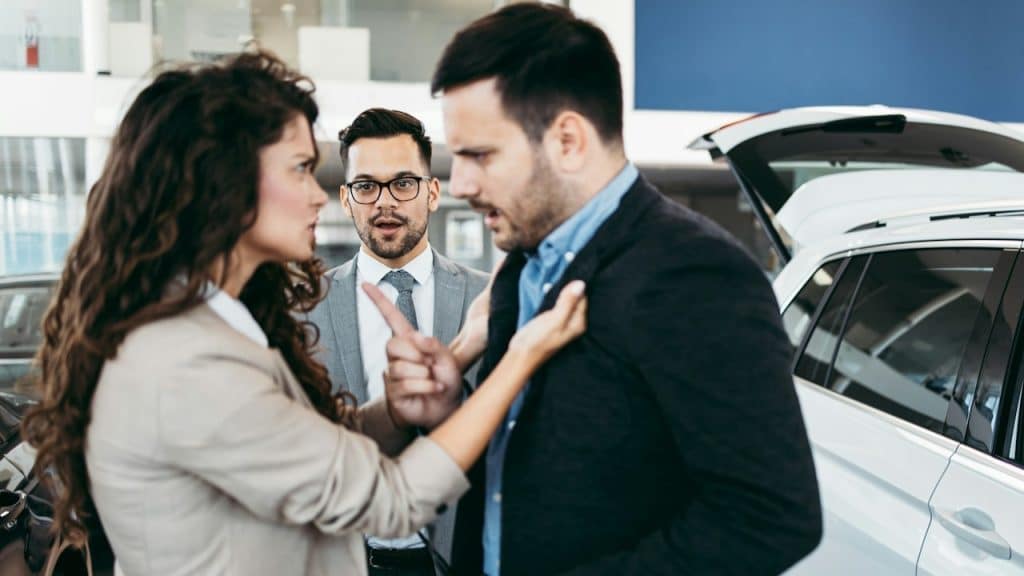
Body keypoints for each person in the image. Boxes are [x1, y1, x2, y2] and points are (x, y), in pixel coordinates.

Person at [19, 51, 586, 576]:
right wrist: (521, 354)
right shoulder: (185, 362)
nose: (320, 195)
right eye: (298, 169)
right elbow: (390, 499)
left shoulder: (216, 328)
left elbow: (319, 449)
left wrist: (412, 393)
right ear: (226, 184)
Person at [381, 4, 823, 575]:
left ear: (567, 140)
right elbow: (528, 465)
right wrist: (450, 413)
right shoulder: (520, 264)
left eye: (479, 155)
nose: (459, 183)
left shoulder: (696, 274)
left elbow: (770, 516)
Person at [307, 108, 488, 575]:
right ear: (346, 200)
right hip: (343, 558)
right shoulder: (303, 311)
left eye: (404, 183)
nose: (385, 202)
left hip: (458, 557)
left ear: (431, 191)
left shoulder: (487, 298)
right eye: (366, 186)